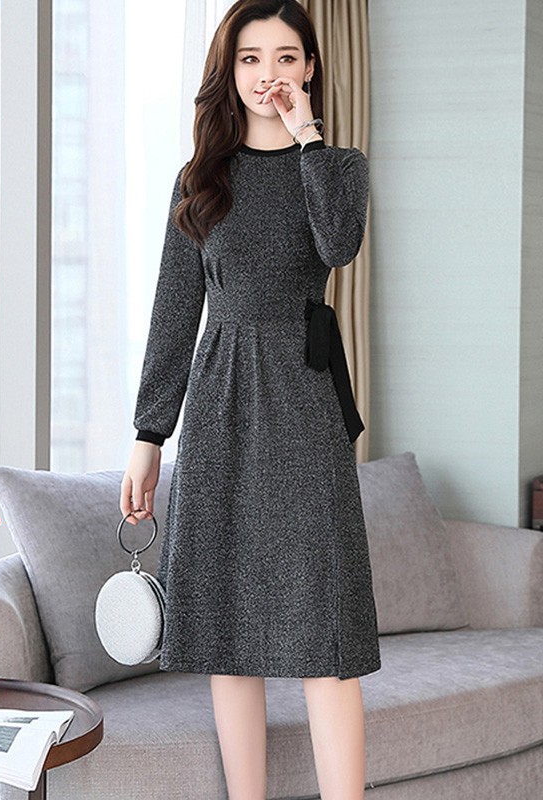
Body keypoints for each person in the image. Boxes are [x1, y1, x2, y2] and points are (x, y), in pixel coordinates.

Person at [120, 0, 381, 797]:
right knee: (227, 633)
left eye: (286, 57)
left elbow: (339, 245)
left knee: (326, 633)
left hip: (304, 399)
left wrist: (307, 137)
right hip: (220, 403)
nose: (269, 74)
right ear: (229, 72)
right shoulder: (200, 179)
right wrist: (148, 436)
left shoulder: (336, 166)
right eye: (251, 58)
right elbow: (174, 313)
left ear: (309, 69)